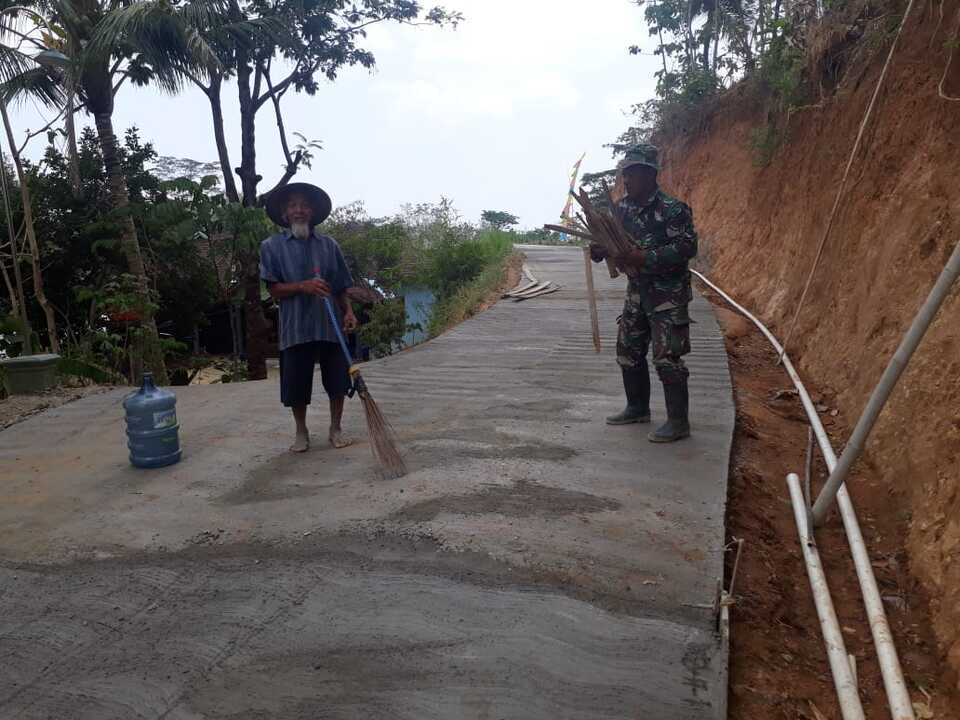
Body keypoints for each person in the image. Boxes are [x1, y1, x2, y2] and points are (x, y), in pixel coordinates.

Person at [590, 144, 698, 442]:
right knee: (628, 350)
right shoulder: (621, 209)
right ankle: (637, 407)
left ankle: (678, 422)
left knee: (667, 357)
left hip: (668, 294)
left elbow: (687, 248)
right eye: (625, 174)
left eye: (633, 174)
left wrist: (646, 258)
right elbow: (614, 242)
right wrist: (601, 250)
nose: (627, 180)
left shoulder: (673, 210)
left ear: (650, 174)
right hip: (637, 291)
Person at [260, 182, 359, 453]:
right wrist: (303, 286)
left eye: (304, 205)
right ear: (284, 213)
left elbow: (340, 285)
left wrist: (348, 311)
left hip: (330, 325)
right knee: (297, 383)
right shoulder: (271, 247)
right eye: (293, 205)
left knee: (338, 380)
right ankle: (301, 431)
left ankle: (335, 428)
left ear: (312, 212)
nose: (299, 210)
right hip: (295, 327)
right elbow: (274, 290)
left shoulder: (329, 245)